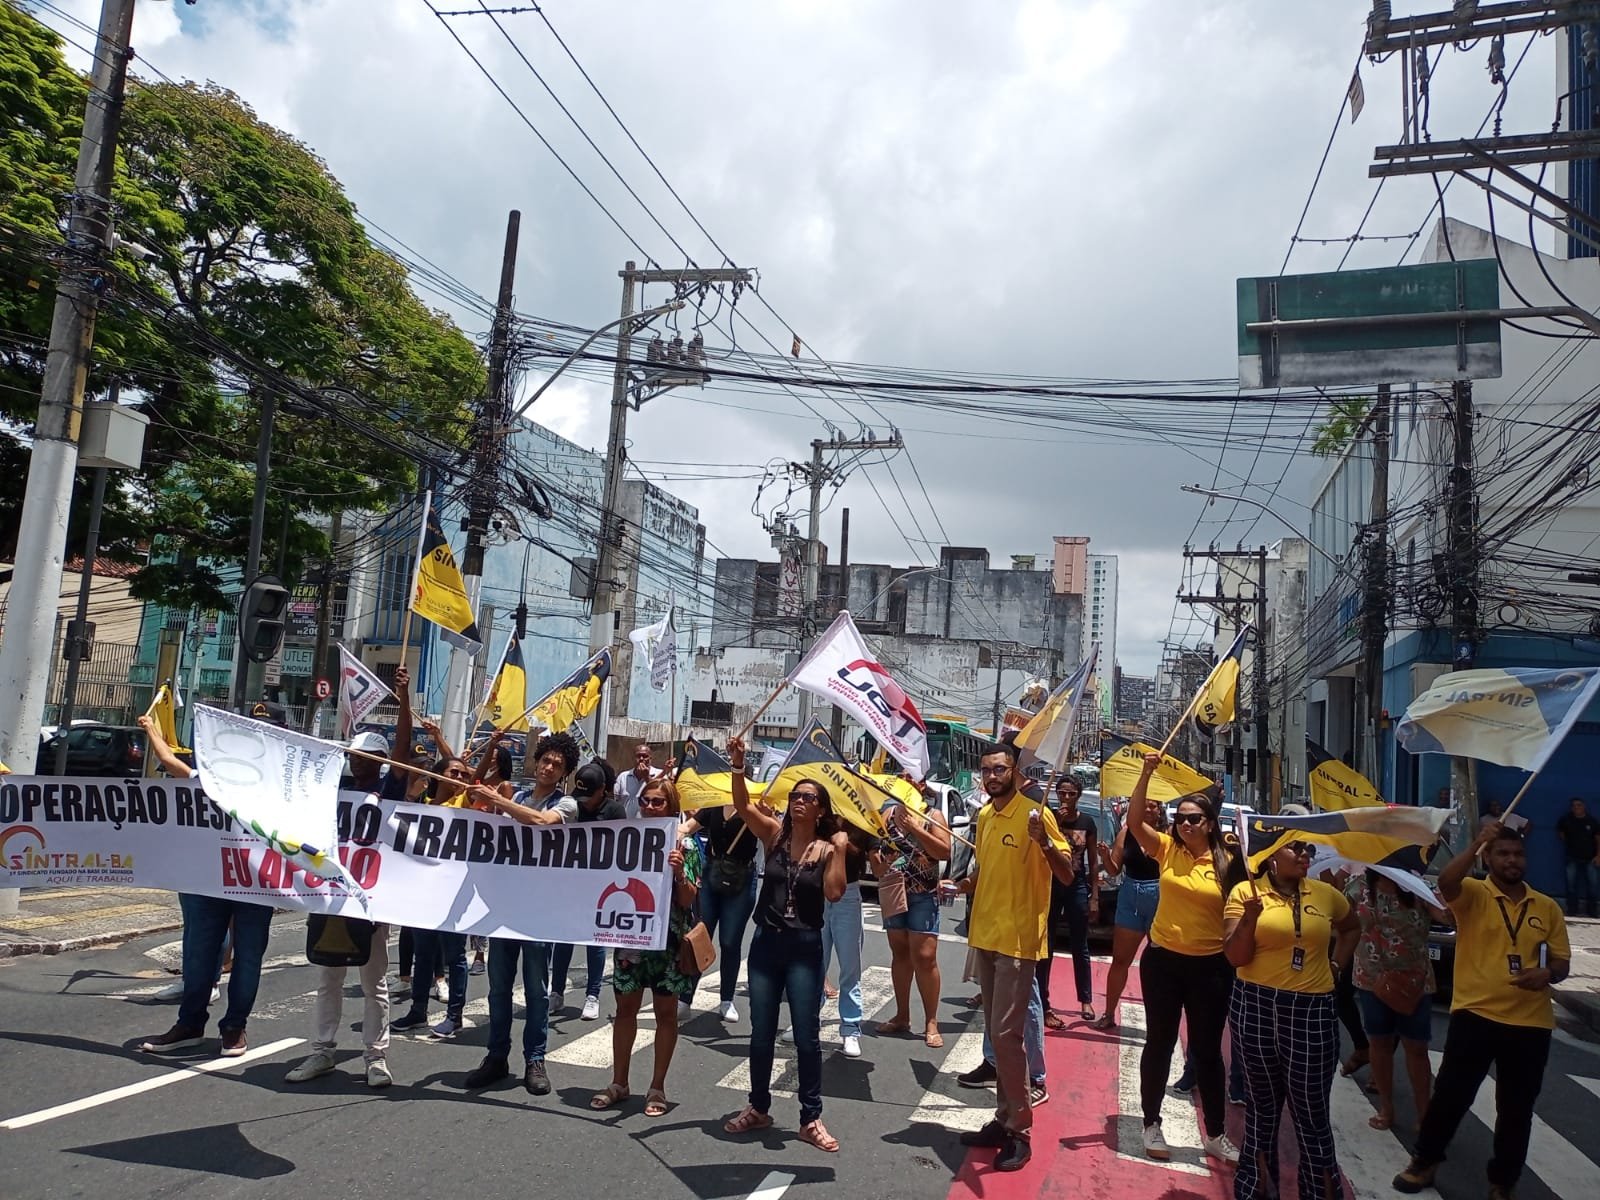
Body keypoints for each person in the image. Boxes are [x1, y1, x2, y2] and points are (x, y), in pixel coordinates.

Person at [1393, 821, 1570, 1198]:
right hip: (1475, 1014)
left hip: (1531, 1023)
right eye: (1503, 853)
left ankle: (1502, 1182)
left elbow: (1562, 963)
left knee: (1516, 1109)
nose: (1512, 860)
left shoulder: (1547, 907)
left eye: (1518, 854)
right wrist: (1476, 842)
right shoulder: (1473, 893)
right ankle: (1425, 1161)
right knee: (1452, 1097)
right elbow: (1446, 885)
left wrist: (1547, 973)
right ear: (1488, 858)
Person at [949, 741, 1075, 1173]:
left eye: (1000, 770)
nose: (992, 777)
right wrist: (960, 886)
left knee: (1005, 1037)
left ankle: (1019, 1130)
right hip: (985, 936)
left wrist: (1043, 842)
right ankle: (1003, 1120)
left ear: (1016, 773)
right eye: (986, 770)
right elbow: (982, 872)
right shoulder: (985, 816)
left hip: (1019, 944)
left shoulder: (1038, 815)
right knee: (998, 1035)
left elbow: (1067, 873)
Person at [721, 735, 849, 1153]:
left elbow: (833, 894)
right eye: (796, 794)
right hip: (766, 945)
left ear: (821, 809)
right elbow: (743, 805)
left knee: (808, 1037)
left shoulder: (829, 849)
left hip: (804, 949)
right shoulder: (774, 835)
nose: (799, 801)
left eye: (808, 797)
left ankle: (810, 1118)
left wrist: (842, 851)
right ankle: (758, 1107)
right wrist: (739, 766)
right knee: (761, 1032)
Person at [1224, 839, 1359, 1200]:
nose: (1304, 855)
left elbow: (1351, 928)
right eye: (1294, 848)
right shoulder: (1244, 893)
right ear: (1270, 860)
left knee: (1311, 1113)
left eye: (1306, 850)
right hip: (1256, 1006)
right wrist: (1250, 918)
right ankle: (1255, 1189)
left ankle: (1319, 1193)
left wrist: (1335, 966)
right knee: (1262, 1109)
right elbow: (1235, 957)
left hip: (1312, 1011)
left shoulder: (1326, 894)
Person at [1128, 751, 1245, 1165]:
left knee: (1209, 1052)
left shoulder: (1229, 861)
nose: (1185, 823)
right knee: (1158, 1043)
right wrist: (1146, 773)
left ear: (1210, 823)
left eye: (1194, 817)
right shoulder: (1167, 849)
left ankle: (1215, 1134)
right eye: (1180, 816)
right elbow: (1134, 822)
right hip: (1162, 962)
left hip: (1211, 968)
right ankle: (1150, 1123)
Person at [136, 711, 275, 1058]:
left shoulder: (276, 790)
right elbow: (169, 762)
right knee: (198, 953)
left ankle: (234, 1028)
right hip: (206, 880)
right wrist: (152, 729)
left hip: (255, 884)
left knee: (248, 957)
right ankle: (190, 1024)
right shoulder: (210, 782)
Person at [459, 730, 580, 1095]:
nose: (548, 767)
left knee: (536, 990)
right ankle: (496, 1056)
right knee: (498, 987)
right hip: (505, 906)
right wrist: (480, 794)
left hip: (539, 910)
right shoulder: (517, 795)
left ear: (564, 773)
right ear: (537, 760)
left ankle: (535, 1059)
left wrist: (500, 800)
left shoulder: (567, 805)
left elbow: (540, 823)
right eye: (545, 760)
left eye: (557, 765)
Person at [285, 732, 395, 1088]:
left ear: (382, 760)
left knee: (373, 983)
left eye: (365, 755)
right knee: (328, 979)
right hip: (330, 901)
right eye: (352, 754)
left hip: (369, 905)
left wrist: (405, 701)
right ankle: (322, 1050)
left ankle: (375, 1057)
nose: (356, 760)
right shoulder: (333, 790)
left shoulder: (388, 793)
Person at [590, 777, 701, 1116]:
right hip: (631, 938)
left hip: (668, 941)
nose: (650, 807)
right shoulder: (627, 841)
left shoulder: (687, 847)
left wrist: (680, 873)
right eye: (646, 801)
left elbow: (689, 898)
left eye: (658, 802)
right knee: (625, 1011)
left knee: (666, 1014)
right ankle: (619, 1082)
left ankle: (657, 1088)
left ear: (672, 807)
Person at [1346, 869, 1447, 1132]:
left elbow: (1448, 917)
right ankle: (1386, 1108)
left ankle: (1425, 1113)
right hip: (1372, 981)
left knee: (1416, 1048)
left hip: (1413, 983)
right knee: (1379, 1043)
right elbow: (1339, 919)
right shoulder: (1358, 886)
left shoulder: (1419, 887)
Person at [389, 755, 474, 1038]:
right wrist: (412, 794)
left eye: (463, 775)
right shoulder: (422, 806)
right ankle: (418, 1011)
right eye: (454, 773)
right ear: (437, 777)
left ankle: (454, 1015)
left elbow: (477, 780)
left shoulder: (463, 804)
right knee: (423, 954)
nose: (460, 779)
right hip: (424, 894)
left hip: (454, 896)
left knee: (454, 955)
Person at [873, 794, 952, 1050]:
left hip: (923, 895)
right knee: (900, 953)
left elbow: (944, 851)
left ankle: (931, 1022)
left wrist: (916, 828)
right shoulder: (886, 814)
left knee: (926, 957)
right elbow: (875, 854)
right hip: (893, 891)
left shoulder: (933, 815)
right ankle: (902, 1015)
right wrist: (878, 861)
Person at [550, 759, 624, 1021]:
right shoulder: (572, 806)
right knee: (563, 939)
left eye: (588, 795)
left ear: (602, 790)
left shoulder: (615, 811)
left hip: (601, 887)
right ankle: (556, 992)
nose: (584, 801)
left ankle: (592, 995)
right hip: (571, 883)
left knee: (596, 942)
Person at [1093, 801, 1166, 1031]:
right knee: (1120, 960)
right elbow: (1114, 869)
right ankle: (1108, 1013)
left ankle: (1160, 1020)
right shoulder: (1127, 832)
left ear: (1160, 811)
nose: (1148, 810)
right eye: (1144, 806)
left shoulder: (1170, 834)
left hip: (1160, 897)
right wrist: (1105, 856)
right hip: (1130, 894)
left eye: (1153, 806)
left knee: (1160, 963)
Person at [690, 791, 761, 1023]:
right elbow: (687, 827)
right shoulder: (713, 804)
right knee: (700, 935)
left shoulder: (754, 807)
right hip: (711, 874)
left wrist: (762, 813)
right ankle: (684, 997)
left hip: (742, 878)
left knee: (730, 942)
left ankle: (726, 999)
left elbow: (769, 832)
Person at [1044, 776, 1098, 1026]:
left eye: (1071, 794)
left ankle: (1085, 999)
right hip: (1052, 883)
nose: (1066, 798)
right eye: (1062, 793)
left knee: (1080, 944)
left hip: (1076, 883)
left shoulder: (1087, 822)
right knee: (1048, 943)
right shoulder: (1050, 819)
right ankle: (1043, 999)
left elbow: (1093, 862)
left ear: (1078, 795)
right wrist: (1057, 821)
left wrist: (1094, 894)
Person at [1555, 797, 1600, 918]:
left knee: (1593, 885)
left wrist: (1598, 856)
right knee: (1571, 885)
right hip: (1572, 857)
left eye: (1579, 805)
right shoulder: (1566, 820)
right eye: (1574, 806)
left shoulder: (1592, 821)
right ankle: (1572, 910)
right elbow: (1561, 833)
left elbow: (1598, 839)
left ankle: (1592, 911)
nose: (1576, 808)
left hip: (1590, 858)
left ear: (1584, 806)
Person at [618, 742, 659, 818]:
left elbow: (660, 794)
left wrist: (647, 777)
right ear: (633, 758)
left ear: (650, 758)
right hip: (626, 825)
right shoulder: (623, 777)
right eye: (638, 756)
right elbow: (616, 801)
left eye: (645, 756)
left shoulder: (660, 775)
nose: (641, 759)